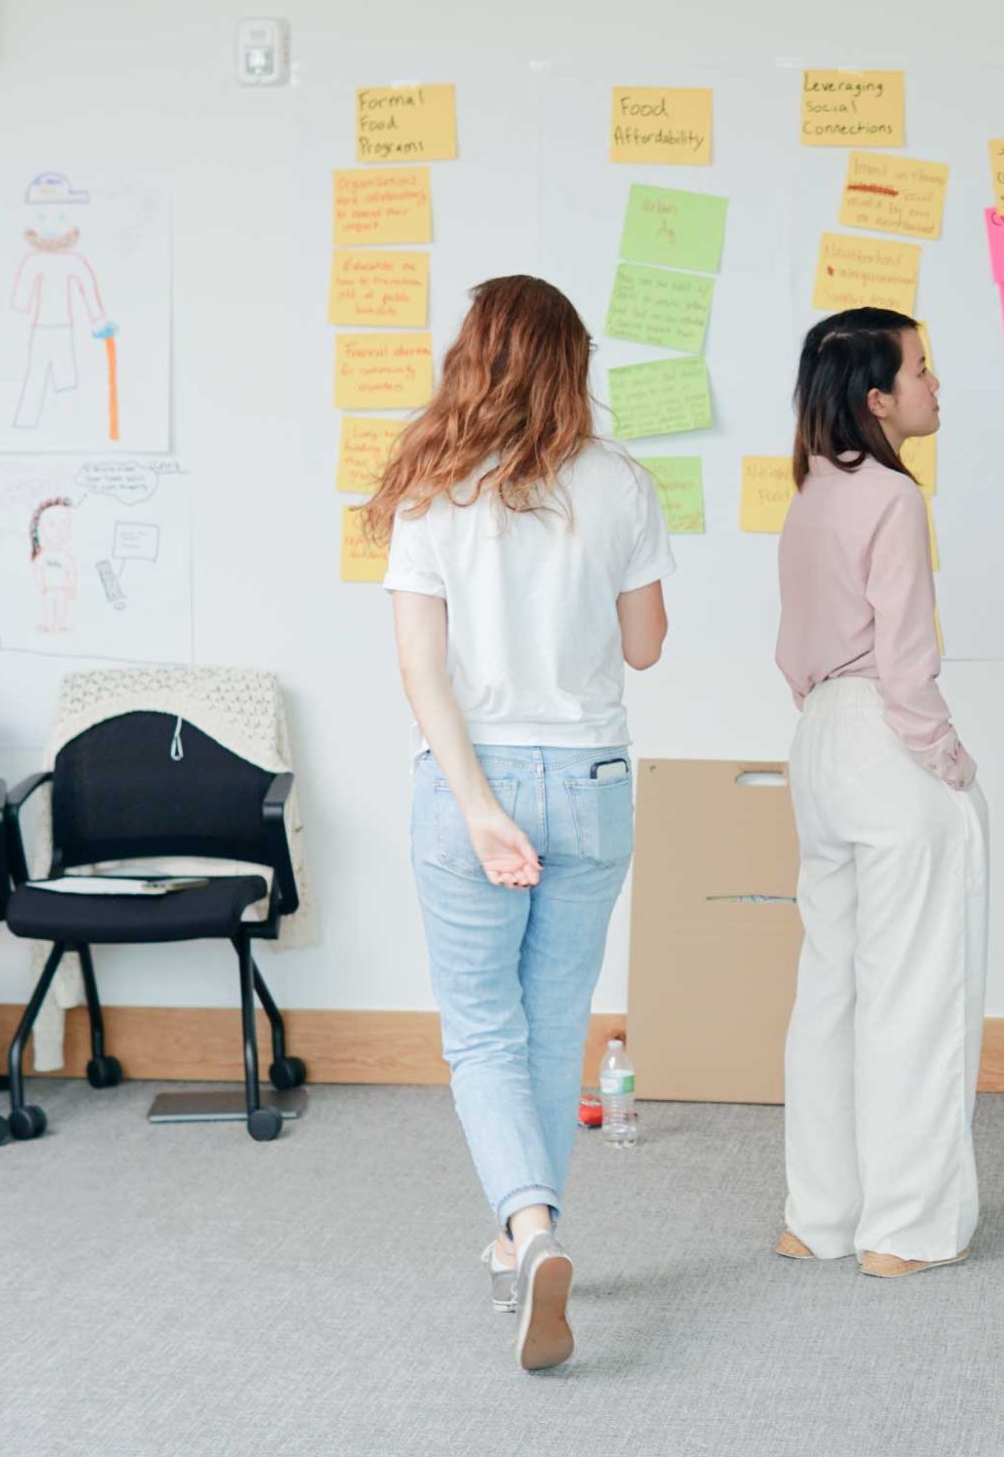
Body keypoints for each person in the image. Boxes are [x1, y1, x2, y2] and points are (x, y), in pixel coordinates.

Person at [371, 275, 674, 1371]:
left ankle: (529, 1229)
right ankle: (524, 1237)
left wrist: (480, 808)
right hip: (590, 778)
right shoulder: (620, 484)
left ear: (473, 357)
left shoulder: (430, 488)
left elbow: (422, 673)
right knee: (552, 1028)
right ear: (572, 363)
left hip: (470, 784)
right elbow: (644, 647)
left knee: (483, 1034)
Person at [774, 307, 990, 1279]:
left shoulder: (809, 491)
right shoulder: (893, 497)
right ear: (877, 399)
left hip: (818, 739)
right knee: (913, 994)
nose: (935, 386)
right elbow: (906, 663)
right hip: (884, 743)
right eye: (921, 370)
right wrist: (948, 761)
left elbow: (794, 649)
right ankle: (902, 1227)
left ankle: (816, 1216)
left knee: (831, 990)